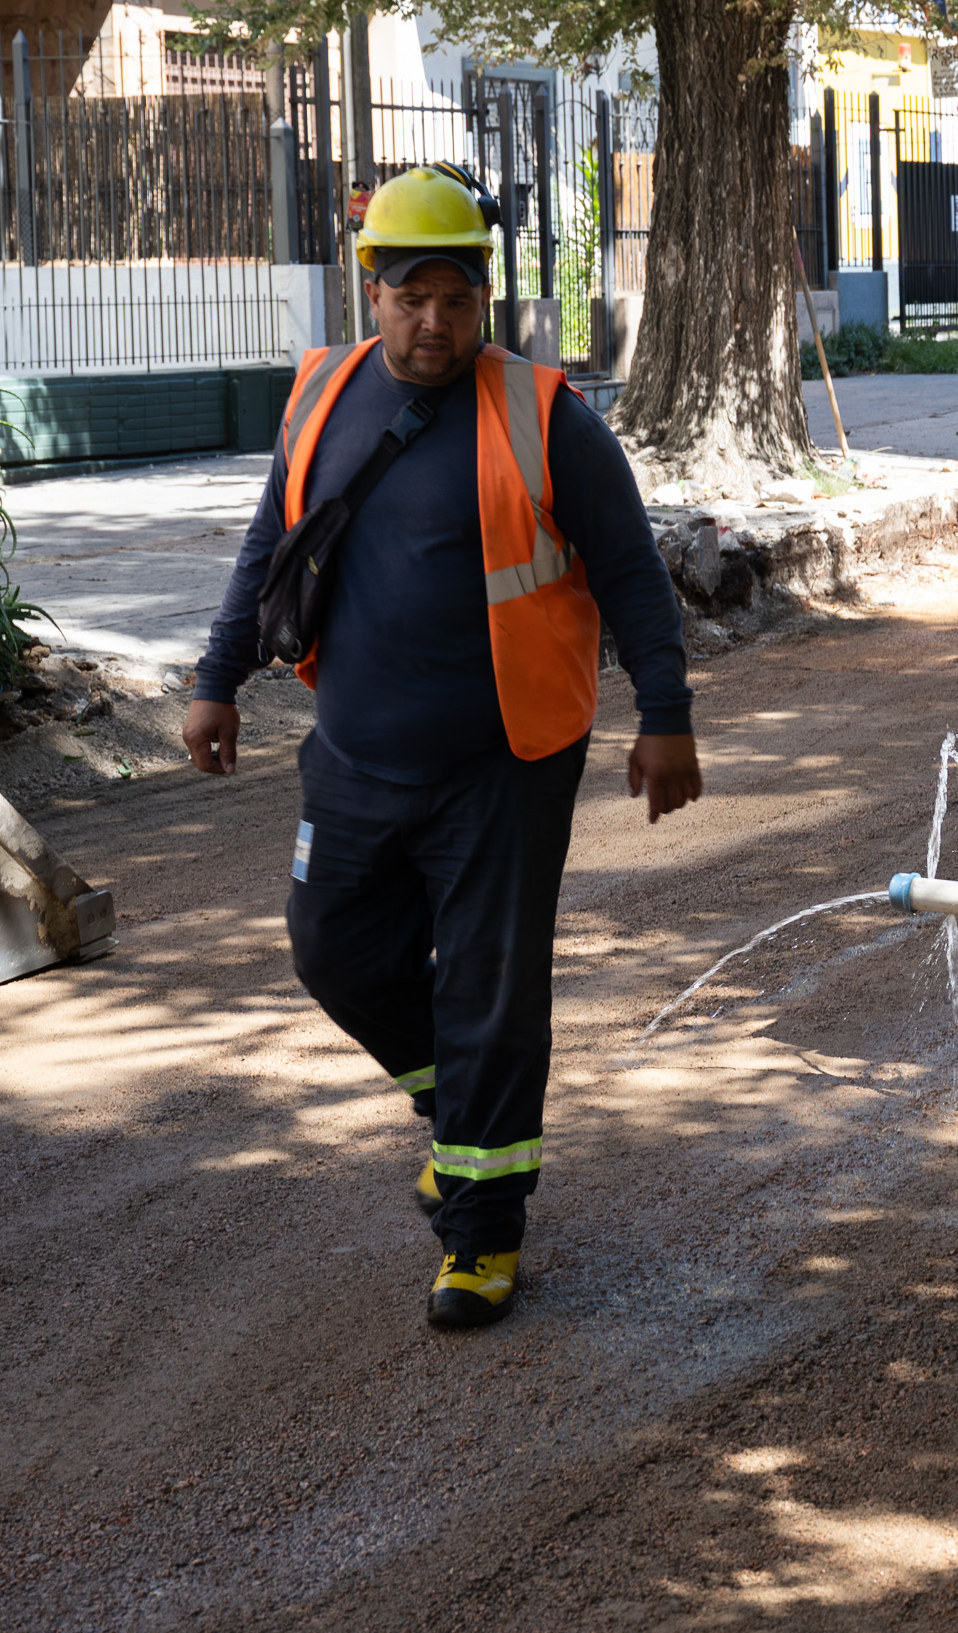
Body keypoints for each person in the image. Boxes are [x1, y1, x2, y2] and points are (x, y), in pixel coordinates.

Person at [184, 164, 700, 1330]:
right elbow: (272, 545)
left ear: (485, 296)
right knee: (333, 950)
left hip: (505, 764)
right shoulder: (322, 394)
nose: (434, 322)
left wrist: (663, 716)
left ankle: (482, 1233)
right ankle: (464, 1118)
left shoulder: (545, 414)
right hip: (354, 751)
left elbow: (632, 578)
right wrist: (215, 680)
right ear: (370, 289)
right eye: (411, 296)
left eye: (457, 298)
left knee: (489, 988)